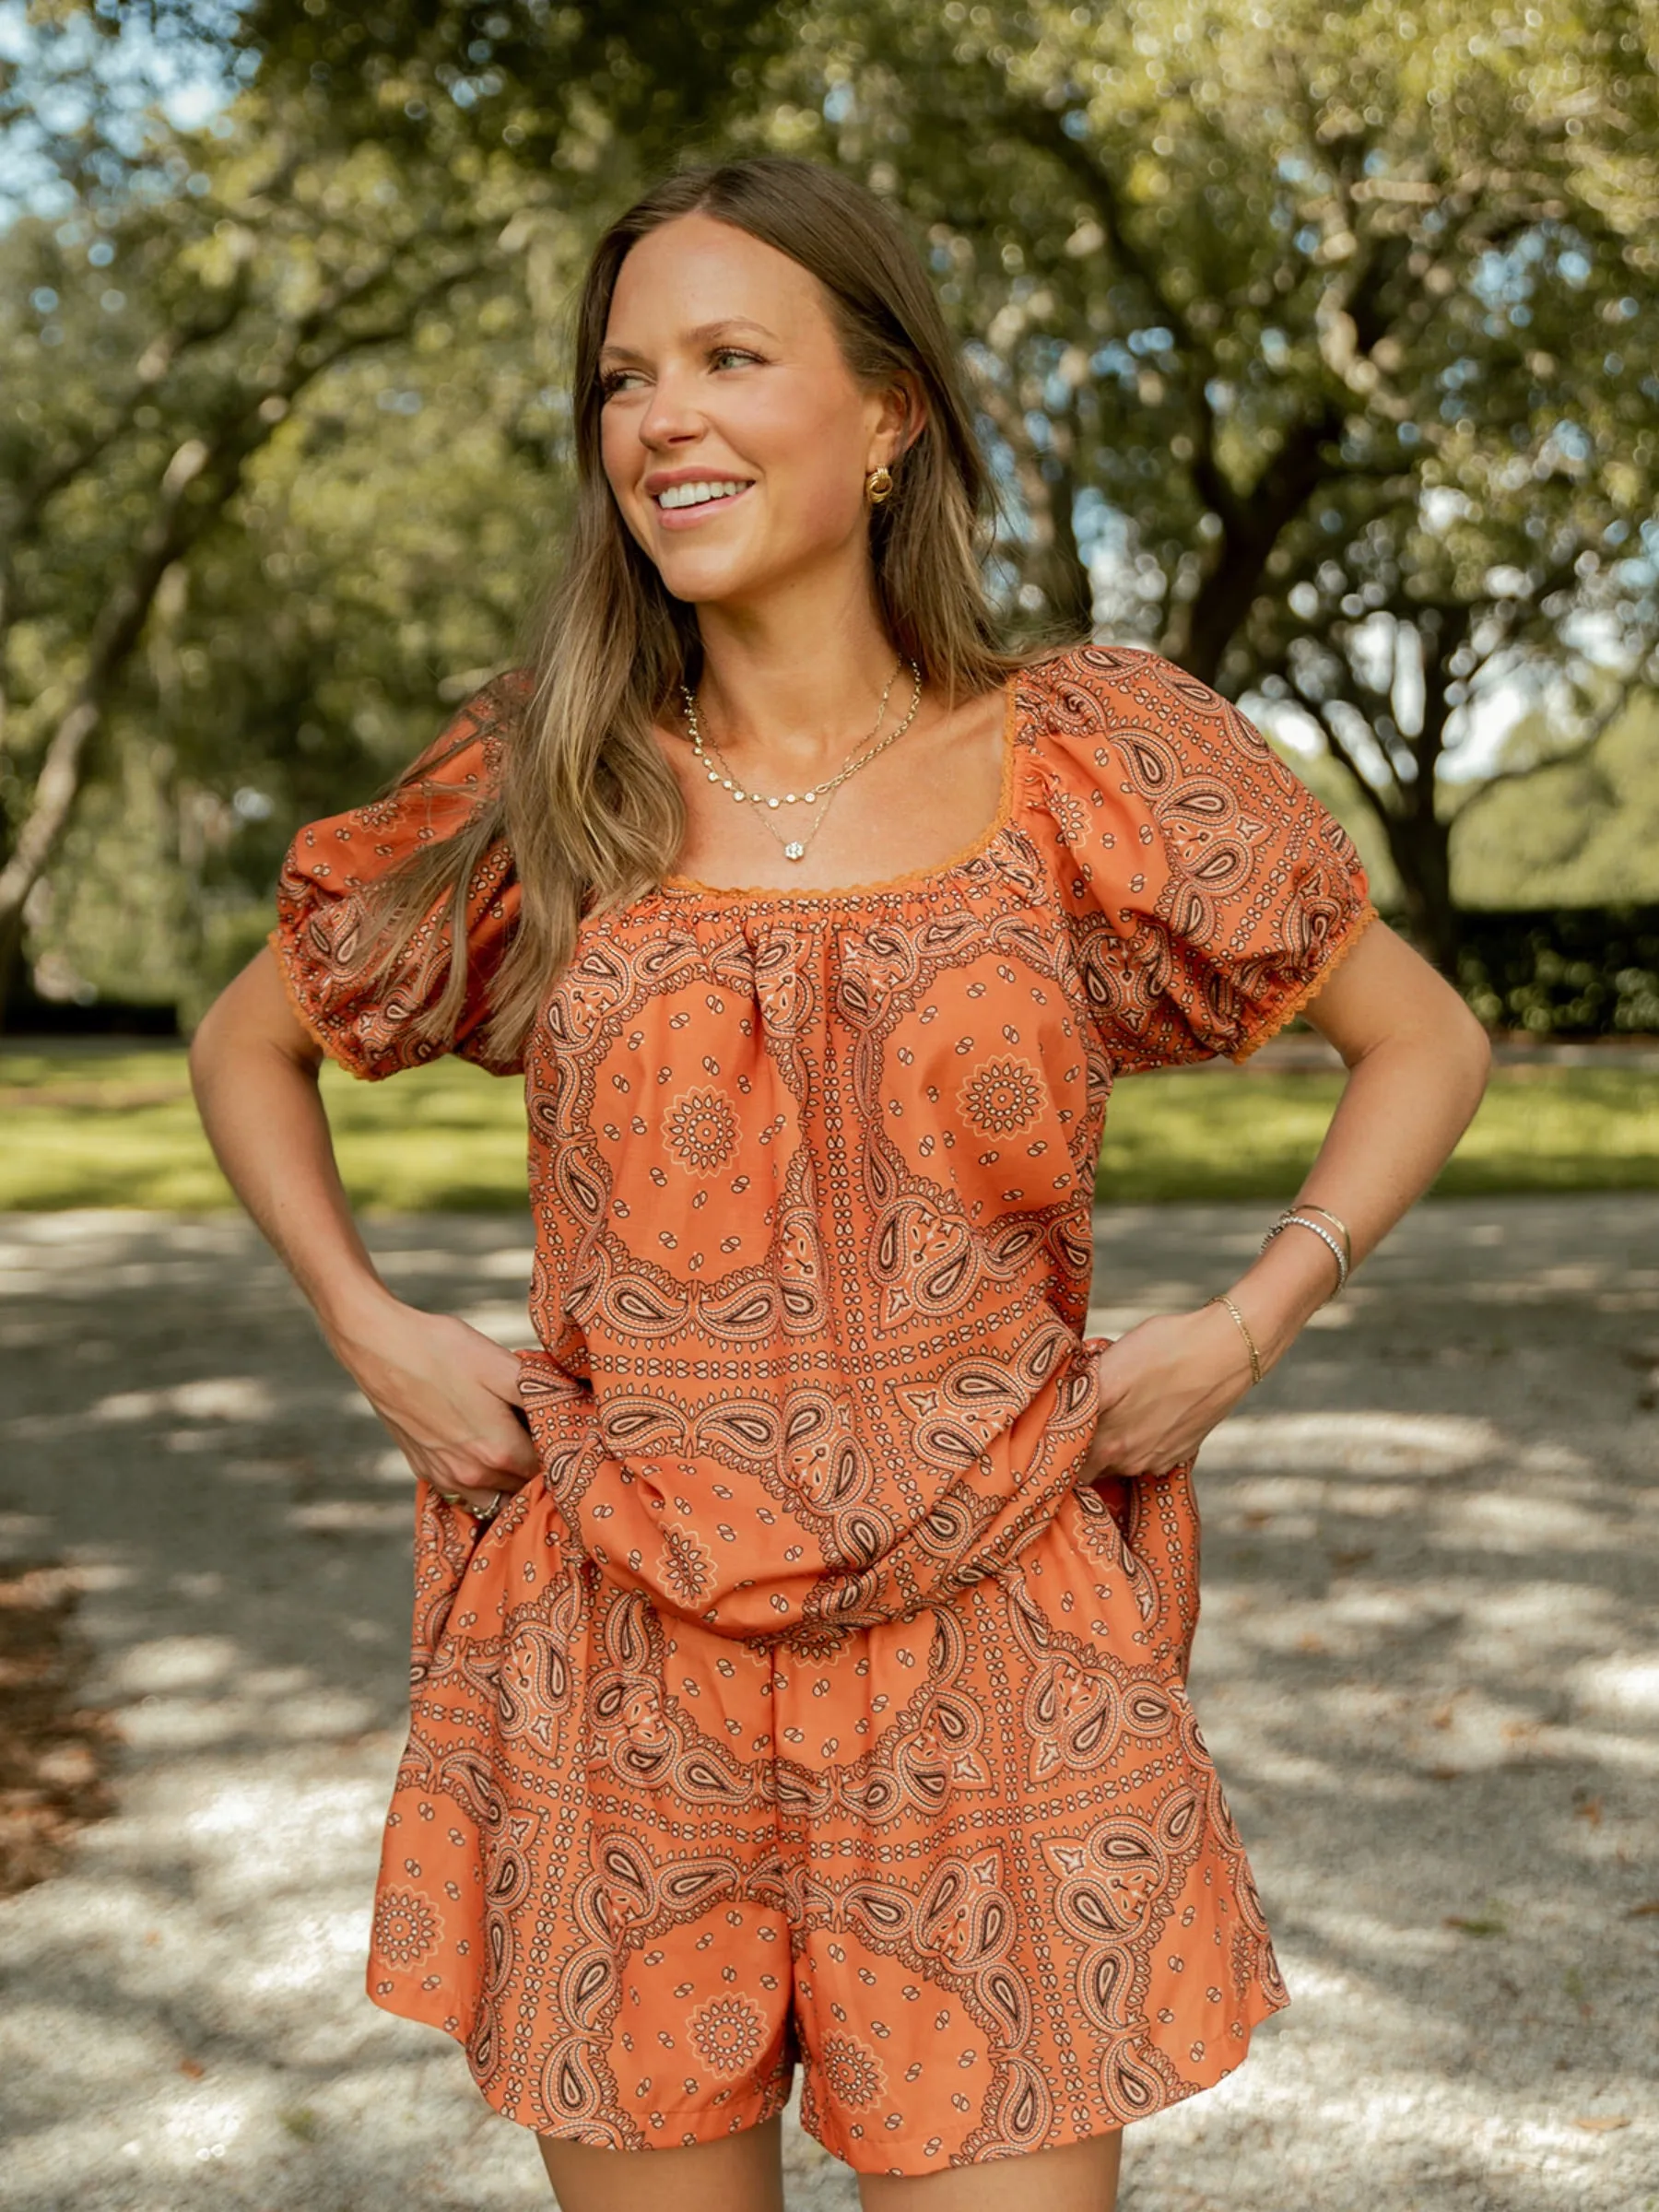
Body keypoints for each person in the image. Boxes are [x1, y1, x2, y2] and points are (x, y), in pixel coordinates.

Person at [190, 155, 1490, 2212]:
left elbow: (1426, 1039)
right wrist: (371, 1330)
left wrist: (1251, 1323)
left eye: (729, 358)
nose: (661, 420)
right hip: (621, 1654)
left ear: (890, 414)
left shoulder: (1088, 759)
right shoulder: (550, 775)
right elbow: (247, 1039)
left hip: (996, 1648)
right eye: (624, 378)